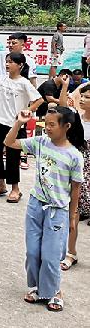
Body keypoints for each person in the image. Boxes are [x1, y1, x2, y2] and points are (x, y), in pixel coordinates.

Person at [5, 107, 84, 312]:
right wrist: (20, 123)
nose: (47, 128)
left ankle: (54, 291)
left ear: (66, 126)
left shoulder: (74, 156)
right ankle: (37, 287)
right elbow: (9, 143)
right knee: (32, 252)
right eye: (45, 124)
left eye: (52, 124)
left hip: (58, 210)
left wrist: (73, 215)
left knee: (50, 256)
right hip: (35, 205)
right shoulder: (40, 143)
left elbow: (76, 189)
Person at [0, 51, 43, 203]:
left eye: (11, 62)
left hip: (15, 125)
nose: (7, 64)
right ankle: (1, 185)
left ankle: (15, 189)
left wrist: (28, 111)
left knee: (13, 157)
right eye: (7, 61)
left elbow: (39, 100)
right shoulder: (2, 78)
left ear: (20, 65)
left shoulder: (24, 83)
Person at [59, 80, 90, 271]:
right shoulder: (77, 117)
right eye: (84, 96)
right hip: (74, 170)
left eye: (88, 97)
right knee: (73, 213)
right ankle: (71, 252)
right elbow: (63, 107)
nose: (83, 99)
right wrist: (65, 87)